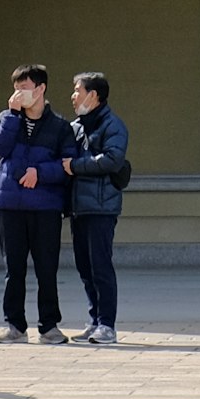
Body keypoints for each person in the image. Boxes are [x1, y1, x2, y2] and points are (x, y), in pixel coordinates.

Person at [0, 63, 72, 344]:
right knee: (14, 269)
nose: (19, 93)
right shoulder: (5, 118)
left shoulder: (60, 127)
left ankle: (49, 326)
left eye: (24, 87)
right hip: (9, 205)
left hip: (45, 207)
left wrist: (40, 173)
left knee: (47, 268)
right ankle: (15, 325)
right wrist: (12, 115)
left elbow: (69, 165)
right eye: (16, 87)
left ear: (41, 89)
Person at [60, 71, 132, 348]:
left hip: (101, 207)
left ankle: (107, 325)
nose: (73, 95)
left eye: (78, 90)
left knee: (100, 266)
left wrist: (76, 166)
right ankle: (94, 319)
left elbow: (113, 159)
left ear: (94, 95)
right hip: (80, 207)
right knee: (84, 266)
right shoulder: (77, 126)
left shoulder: (113, 125)